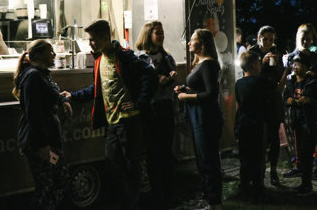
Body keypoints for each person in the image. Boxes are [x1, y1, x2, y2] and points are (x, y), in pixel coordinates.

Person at [61, 19, 157, 210]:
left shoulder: (124, 57)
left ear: (105, 38)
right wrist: (74, 95)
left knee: (131, 167)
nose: (90, 43)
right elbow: (97, 88)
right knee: (114, 163)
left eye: (93, 39)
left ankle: (136, 204)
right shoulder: (100, 60)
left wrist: (138, 102)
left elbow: (150, 76)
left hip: (128, 121)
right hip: (112, 123)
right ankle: (129, 201)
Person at [13, 39, 72, 209]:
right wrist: (43, 145)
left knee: (56, 180)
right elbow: (34, 114)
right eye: (50, 51)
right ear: (39, 54)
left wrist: (62, 101)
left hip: (49, 139)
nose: (54, 54)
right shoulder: (33, 76)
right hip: (39, 142)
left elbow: (52, 92)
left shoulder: (41, 74)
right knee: (49, 183)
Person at [174, 29, 223, 210]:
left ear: (202, 43)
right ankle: (209, 199)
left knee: (208, 161)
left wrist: (185, 97)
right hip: (198, 118)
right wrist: (185, 90)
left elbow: (210, 94)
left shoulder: (208, 64)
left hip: (206, 118)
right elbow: (200, 89)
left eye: (192, 40)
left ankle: (215, 203)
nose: (189, 43)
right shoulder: (200, 63)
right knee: (202, 161)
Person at [135, 20, 179, 205]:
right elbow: (138, 85)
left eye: (162, 33)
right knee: (153, 152)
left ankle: (168, 194)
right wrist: (156, 82)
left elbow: (172, 82)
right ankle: (155, 195)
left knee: (166, 151)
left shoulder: (167, 57)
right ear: (148, 35)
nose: (161, 36)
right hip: (150, 109)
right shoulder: (140, 59)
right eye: (157, 33)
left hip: (166, 107)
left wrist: (172, 79)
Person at [235, 51, 288, 202]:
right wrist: (285, 73)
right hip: (258, 124)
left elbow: (239, 104)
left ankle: (245, 187)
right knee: (258, 158)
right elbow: (278, 90)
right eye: (258, 63)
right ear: (254, 65)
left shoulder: (239, 83)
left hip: (243, 123)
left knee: (245, 157)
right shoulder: (260, 81)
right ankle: (258, 190)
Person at [249, 25, 285, 186]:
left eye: (271, 39)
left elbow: (280, 75)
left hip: (273, 97)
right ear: (259, 38)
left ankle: (274, 170)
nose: (269, 43)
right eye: (265, 39)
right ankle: (258, 171)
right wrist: (262, 63)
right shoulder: (253, 53)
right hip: (258, 98)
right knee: (258, 136)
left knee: (274, 136)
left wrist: (277, 65)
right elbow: (250, 76)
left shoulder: (276, 52)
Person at [283, 23, 317, 179]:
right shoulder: (290, 57)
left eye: (309, 39)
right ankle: (298, 165)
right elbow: (287, 79)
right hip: (296, 104)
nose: (306, 42)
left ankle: (312, 168)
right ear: (297, 38)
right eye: (303, 39)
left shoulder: (315, 56)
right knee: (297, 136)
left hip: (312, 102)